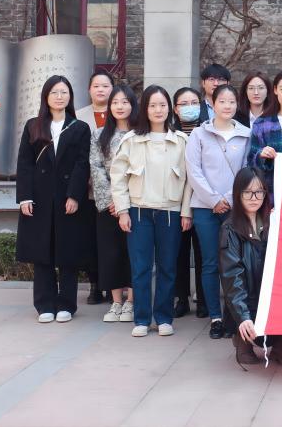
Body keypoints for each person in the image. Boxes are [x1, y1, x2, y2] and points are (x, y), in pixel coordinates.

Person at [111, 85, 193, 338]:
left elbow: (190, 181)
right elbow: (118, 177)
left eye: (162, 105)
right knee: (141, 268)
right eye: (153, 105)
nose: (158, 110)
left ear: (170, 109)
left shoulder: (181, 141)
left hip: (170, 212)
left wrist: (186, 212)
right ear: (144, 109)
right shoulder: (131, 140)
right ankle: (142, 319)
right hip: (139, 211)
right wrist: (123, 211)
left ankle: (164, 318)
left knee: (168, 267)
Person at [15, 75, 93, 323]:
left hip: (67, 197)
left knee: (67, 252)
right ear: (46, 96)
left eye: (64, 92)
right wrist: (25, 197)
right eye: (54, 92)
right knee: (43, 252)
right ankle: (44, 304)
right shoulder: (33, 126)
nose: (60, 97)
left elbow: (82, 164)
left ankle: (67, 304)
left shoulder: (80, 128)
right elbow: (25, 163)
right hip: (39, 198)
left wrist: (75, 195)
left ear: (70, 96)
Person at [186, 84, 251, 340]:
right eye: (222, 101)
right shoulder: (198, 134)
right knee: (211, 263)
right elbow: (194, 170)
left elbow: (246, 170)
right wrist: (213, 199)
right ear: (213, 104)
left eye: (232, 101)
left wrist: (230, 199)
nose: (227, 106)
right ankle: (215, 317)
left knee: (235, 263)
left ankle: (234, 316)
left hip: (235, 208)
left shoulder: (246, 134)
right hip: (205, 208)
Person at [220, 168, 282, 369]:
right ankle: (242, 341)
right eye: (248, 192)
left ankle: (279, 344)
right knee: (240, 302)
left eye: (259, 192)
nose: (254, 198)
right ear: (238, 194)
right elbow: (232, 276)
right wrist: (242, 316)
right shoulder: (230, 229)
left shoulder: (272, 222)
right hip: (246, 296)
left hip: (269, 294)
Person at [89, 83, 137, 323]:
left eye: (125, 102)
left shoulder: (140, 133)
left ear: (133, 105)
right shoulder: (99, 134)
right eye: (115, 102)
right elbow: (96, 168)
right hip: (108, 205)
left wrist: (125, 201)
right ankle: (116, 301)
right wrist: (112, 200)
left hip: (135, 202)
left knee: (133, 253)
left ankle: (132, 302)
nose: (120, 106)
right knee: (111, 253)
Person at [75, 68, 114, 304]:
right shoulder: (78, 116)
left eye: (105, 86)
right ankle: (95, 285)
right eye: (96, 86)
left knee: (111, 240)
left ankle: (113, 285)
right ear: (89, 90)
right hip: (86, 190)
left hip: (114, 191)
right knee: (90, 239)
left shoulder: (120, 112)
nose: (101, 90)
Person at [173, 87, 207, 318]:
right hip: (176, 201)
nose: (189, 107)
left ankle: (204, 299)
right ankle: (181, 298)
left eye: (194, 102)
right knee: (179, 252)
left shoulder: (208, 131)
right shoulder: (169, 132)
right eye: (183, 104)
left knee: (204, 253)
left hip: (203, 200)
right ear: (175, 109)